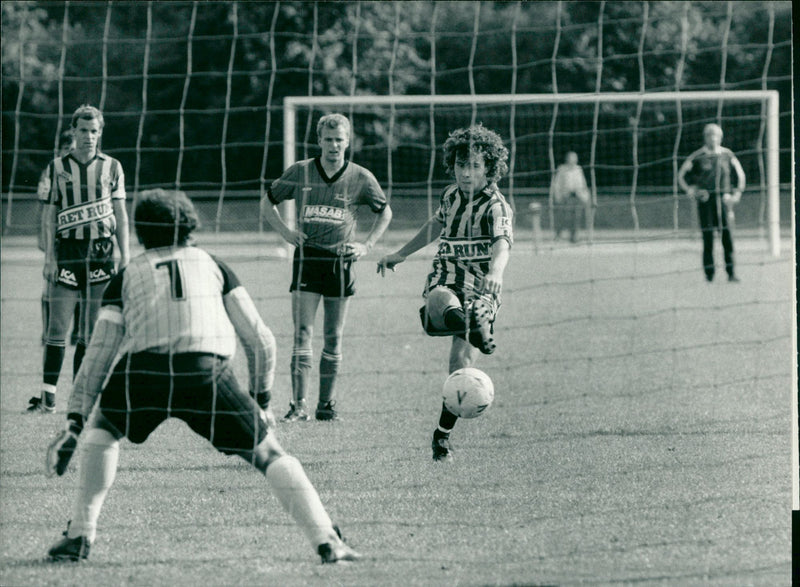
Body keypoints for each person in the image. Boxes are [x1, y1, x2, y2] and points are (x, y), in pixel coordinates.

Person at [44, 189, 360, 564]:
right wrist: (260, 402)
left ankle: (80, 534)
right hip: (205, 373)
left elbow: (97, 355)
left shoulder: (127, 274)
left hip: (142, 372)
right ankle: (326, 539)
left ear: (142, 232)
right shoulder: (214, 265)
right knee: (269, 453)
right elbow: (260, 340)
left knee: (103, 431)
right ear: (190, 225)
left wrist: (75, 422)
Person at [377, 124, 513, 462]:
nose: (467, 174)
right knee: (438, 297)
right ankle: (473, 324)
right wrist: (401, 254)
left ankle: (441, 437)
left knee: (460, 366)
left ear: (489, 168)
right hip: (448, 276)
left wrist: (496, 273)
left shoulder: (497, 206)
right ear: (453, 165)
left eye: (476, 167)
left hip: (482, 284)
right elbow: (435, 226)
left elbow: (502, 243)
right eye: (461, 166)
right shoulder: (450, 195)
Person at [260, 113, 392, 422]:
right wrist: (286, 232)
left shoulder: (361, 177)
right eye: (328, 139)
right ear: (319, 141)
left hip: (341, 263)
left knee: (333, 336)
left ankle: (326, 405)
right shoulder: (300, 172)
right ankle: (298, 405)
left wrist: (366, 246)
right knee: (302, 332)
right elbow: (267, 202)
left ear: (348, 141)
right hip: (308, 260)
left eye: (339, 139)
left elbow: (385, 213)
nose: (334, 145)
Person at [27, 104, 130, 414]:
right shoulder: (57, 168)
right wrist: (49, 256)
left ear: (100, 133)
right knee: (57, 328)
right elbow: (49, 215)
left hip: (101, 253)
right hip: (67, 253)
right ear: (73, 131)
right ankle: (48, 399)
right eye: (83, 130)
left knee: (89, 330)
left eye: (94, 131)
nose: (88, 136)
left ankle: (80, 397)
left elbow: (121, 213)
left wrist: (125, 254)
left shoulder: (113, 167)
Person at [678, 123, 746, 282]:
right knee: (707, 238)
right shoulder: (697, 156)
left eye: (715, 135)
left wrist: (736, 194)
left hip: (723, 201)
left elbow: (741, 176)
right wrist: (691, 191)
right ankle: (709, 275)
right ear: (705, 137)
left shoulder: (728, 155)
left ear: (720, 137)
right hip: (706, 202)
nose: (712, 138)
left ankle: (731, 273)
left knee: (727, 237)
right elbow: (681, 176)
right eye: (709, 135)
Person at [37, 130, 80, 346]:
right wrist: (42, 238)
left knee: (81, 285)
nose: (70, 152)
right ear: (59, 149)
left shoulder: (86, 168)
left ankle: (78, 332)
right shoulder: (51, 171)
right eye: (66, 148)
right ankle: (47, 332)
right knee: (50, 287)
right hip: (57, 238)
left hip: (78, 239)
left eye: (73, 148)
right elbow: (44, 208)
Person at [550, 151, 590, 243]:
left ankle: (574, 236)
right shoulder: (562, 169)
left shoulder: (578, 169)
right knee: (564, 216)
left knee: (576, 216)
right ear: (567, 159)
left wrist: (585, 196)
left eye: (574, 158)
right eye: (571, 158)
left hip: (576, 196)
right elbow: (557, 184)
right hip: (565, 196)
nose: (573, 160)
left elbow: (583, 183)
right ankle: (558, 234)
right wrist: (558, 196)